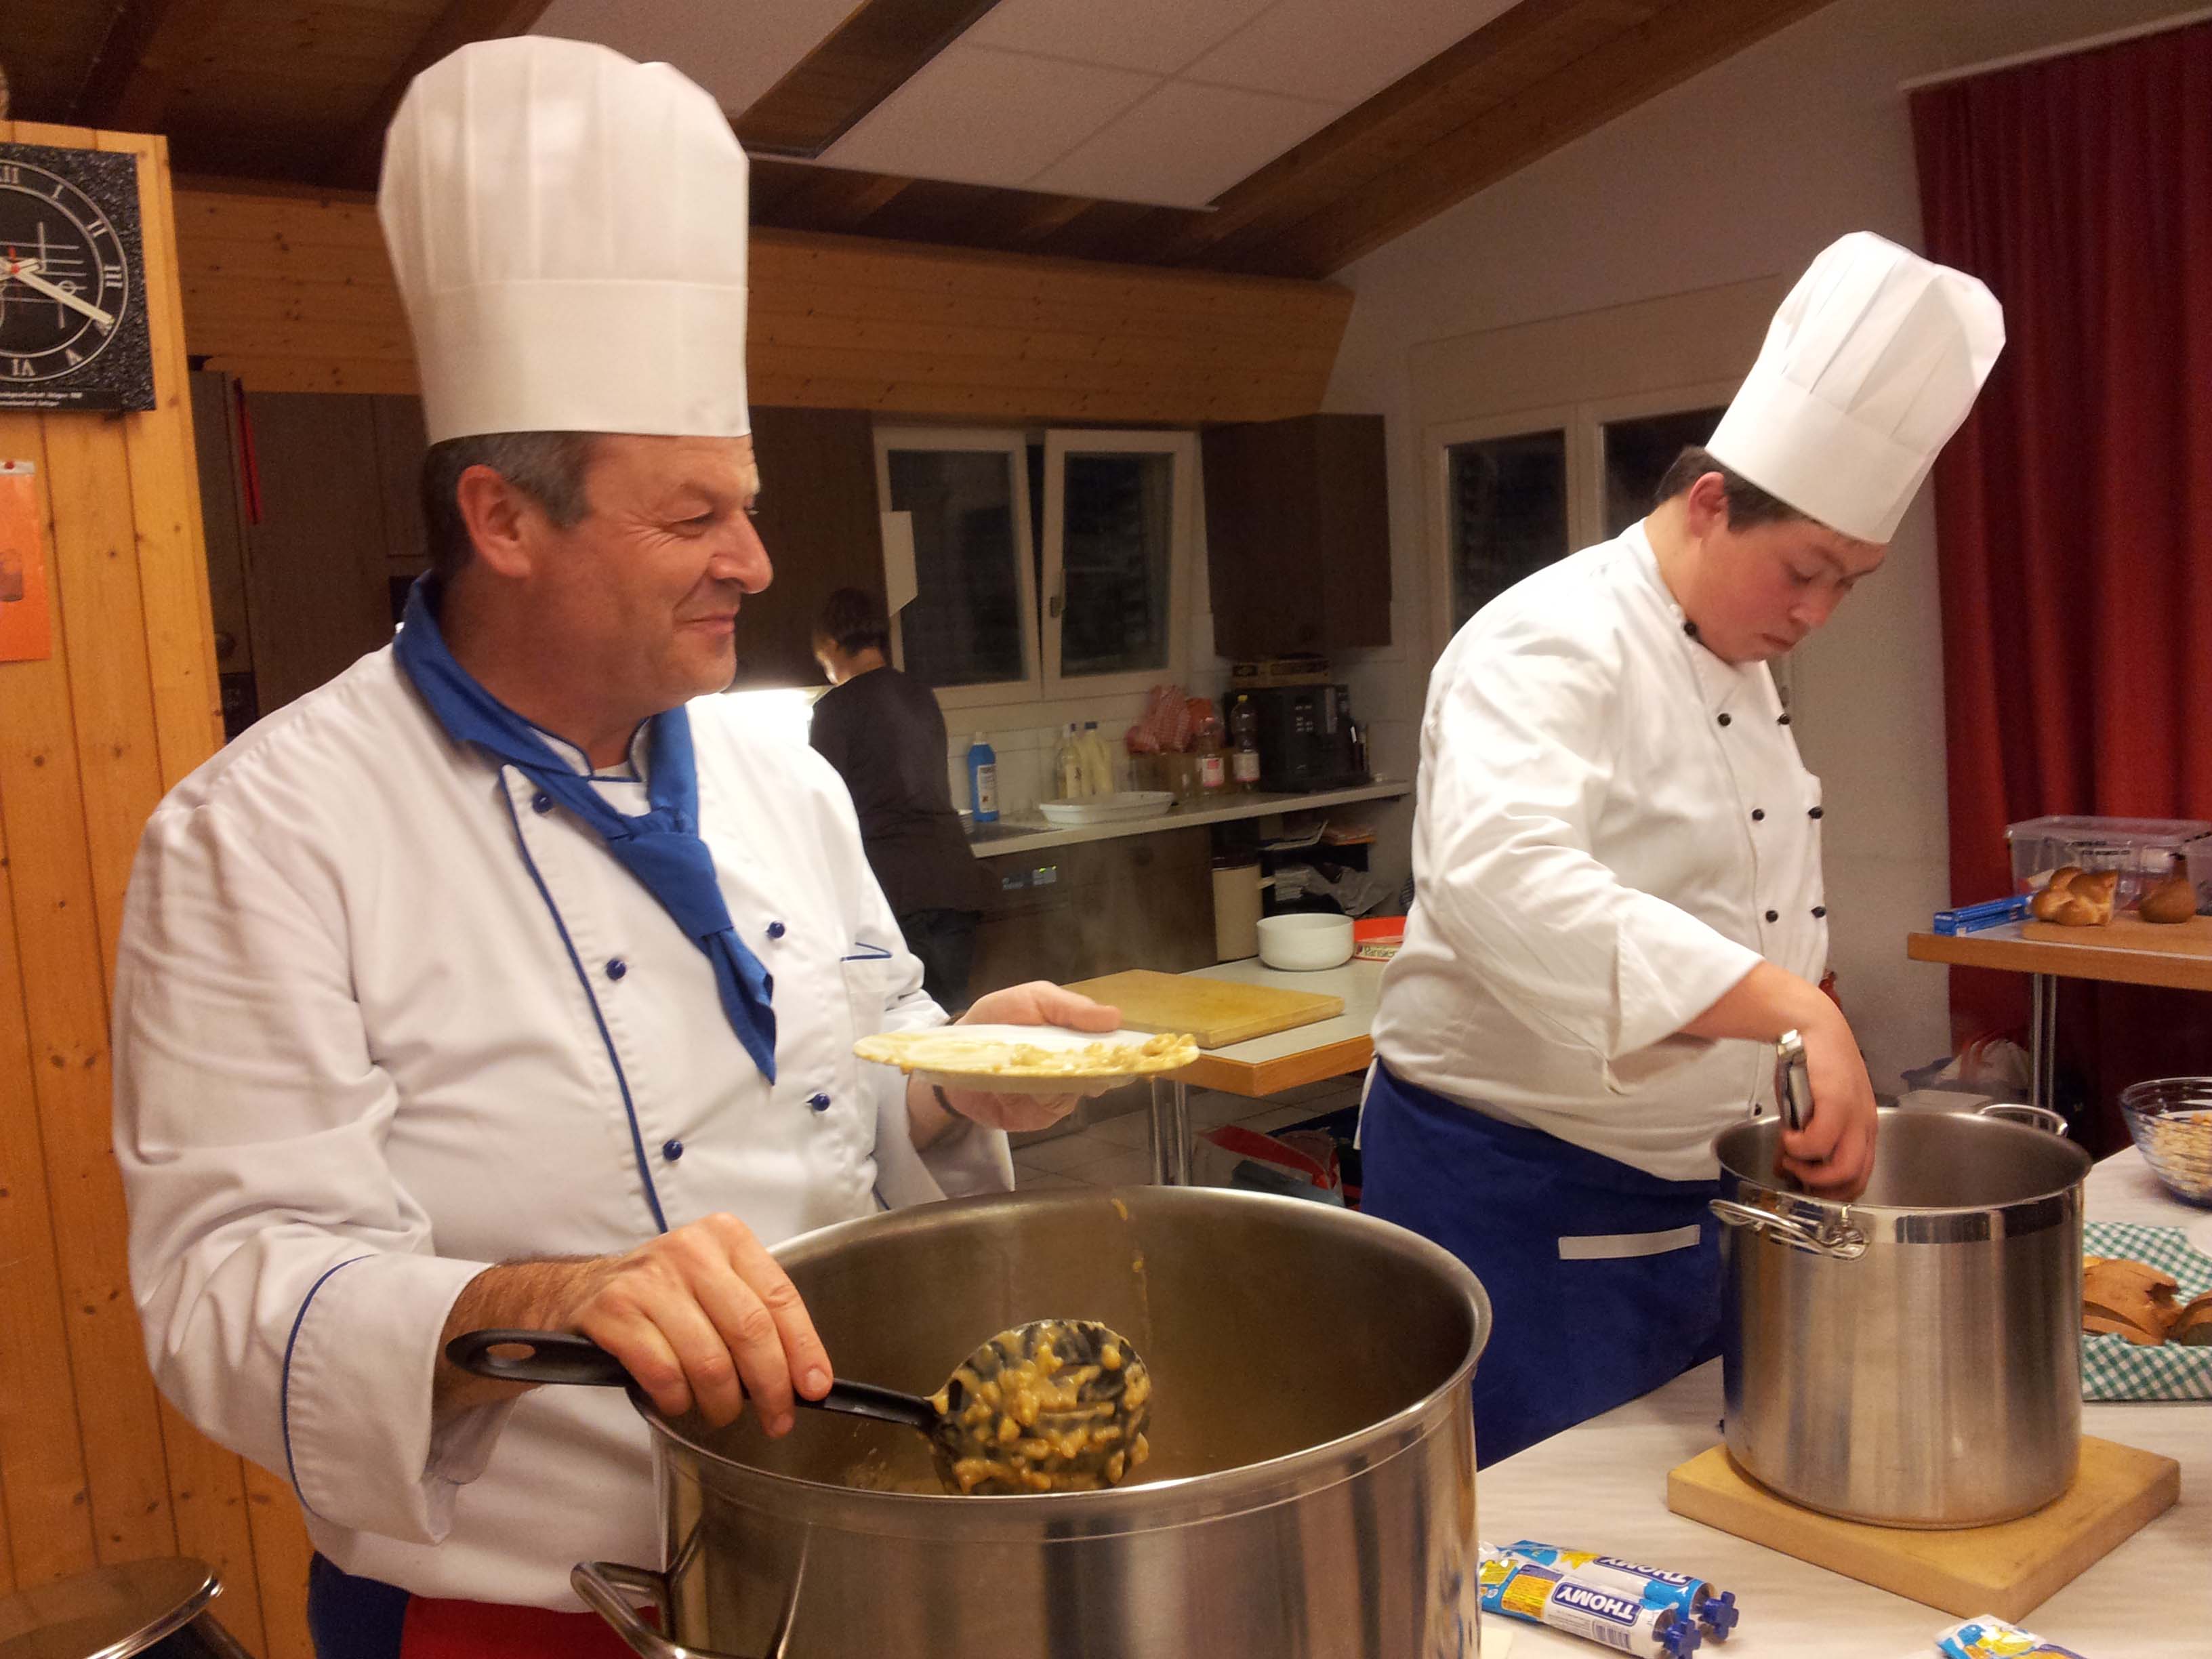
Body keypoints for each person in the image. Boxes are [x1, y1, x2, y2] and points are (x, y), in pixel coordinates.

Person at [110, 38, 1115, 1649]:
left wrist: (948, 1071)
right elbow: (227, 1291)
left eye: (750, 501)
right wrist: (533, 1293)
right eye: (691, 515)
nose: (755, 558)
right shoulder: (264, 834)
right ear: (504, 518)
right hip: (524, 1608)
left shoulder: (774, 772)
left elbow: (842, 1072)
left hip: (853, 1548)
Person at [1361, 232, 2005, 1467]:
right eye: (1804, 570)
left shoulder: (1729, 649)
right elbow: (1507, 885)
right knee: (1533, 1554)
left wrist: (1805, 1031)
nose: (1815, 612)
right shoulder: (1543, 642)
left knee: (1679, 1541)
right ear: (1709, 502)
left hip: (1682, 1187)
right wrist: (1788, 1008)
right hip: (1515, 1187)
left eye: (1849, 583)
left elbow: (1731, 895)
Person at [808, 588, 991, 1010]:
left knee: (916, 1027)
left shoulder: (834, 710)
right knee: (952, 1017)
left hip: (897, 892)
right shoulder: (919, 694)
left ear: (833, 646)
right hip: (955, 881)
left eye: (822, 659)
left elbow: (821, 807)